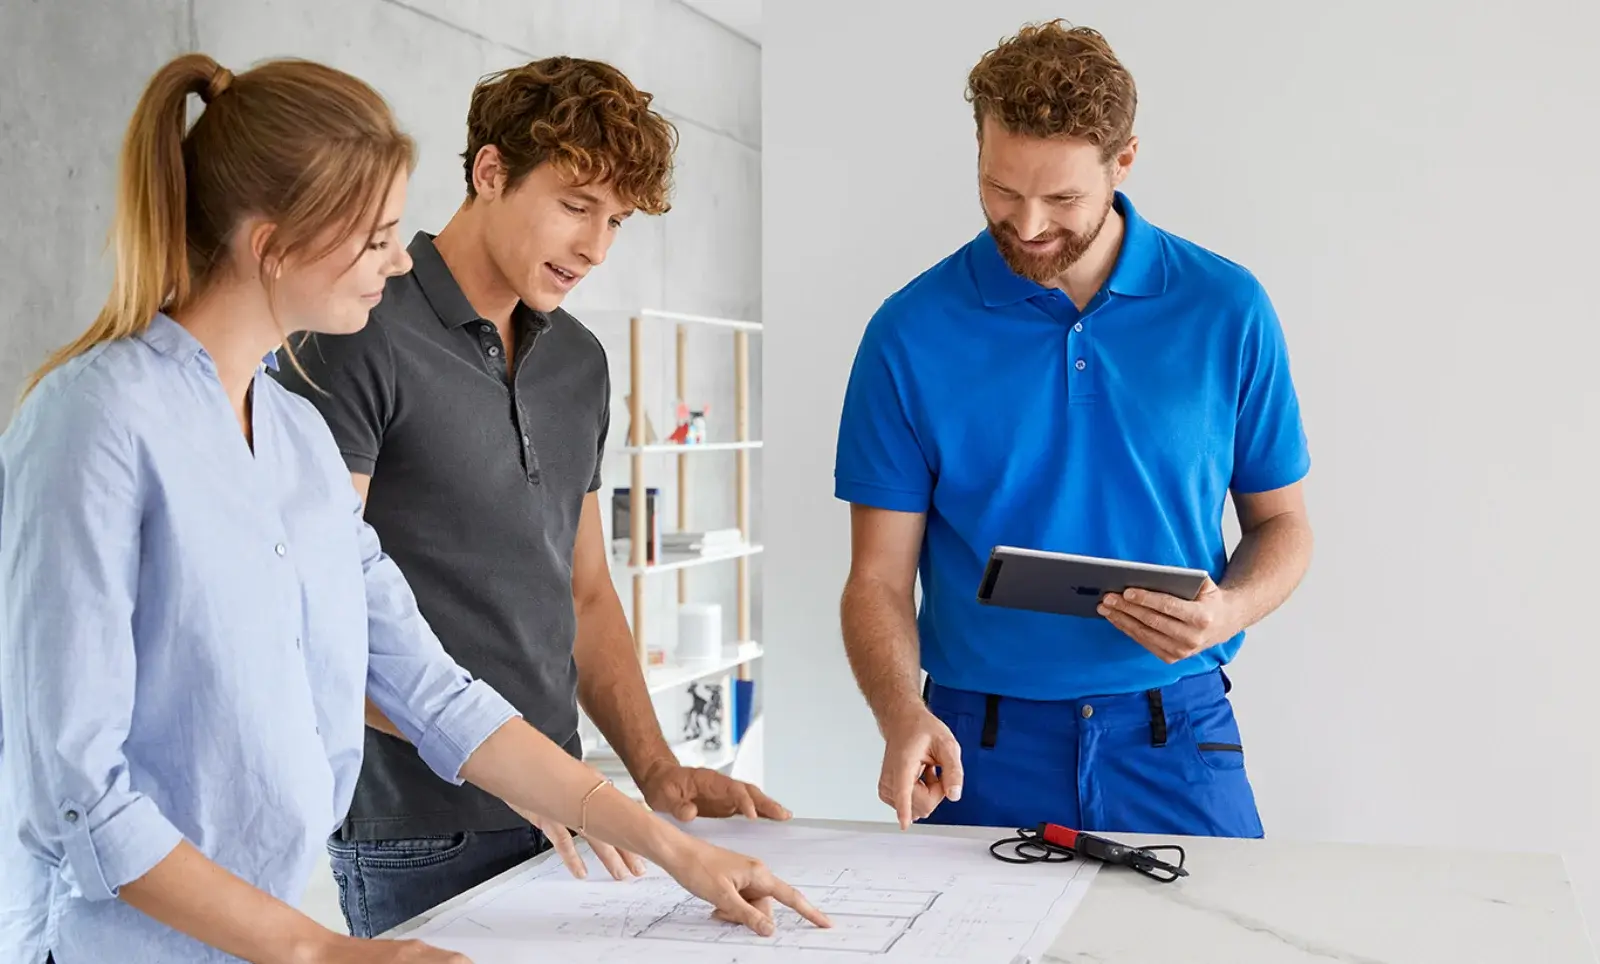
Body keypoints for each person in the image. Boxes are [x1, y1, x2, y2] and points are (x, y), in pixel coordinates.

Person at [0, 53, 828, 964]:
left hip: (259, 936)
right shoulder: (93, 423)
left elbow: (432, 691)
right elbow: (77, 795)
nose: (399, 260)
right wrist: (324, 951)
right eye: (376, 238)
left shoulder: (293, 438)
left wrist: (670, 845)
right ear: (273, 246)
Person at [268, 55, 790, 938]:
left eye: (616, 220)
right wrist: (503, 762)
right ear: (489, 171)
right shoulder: (356, 329)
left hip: (571, 814)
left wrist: (655, 771)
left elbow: (584, 593)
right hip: (417, 826)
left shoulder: (579, 361)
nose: (596, 248)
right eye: (576, 206)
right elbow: (310, 618)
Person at [834, 21, 1314, 839]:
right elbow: (877, 579)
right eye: (1000, 190)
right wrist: (898, 710)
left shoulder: (1227, 308)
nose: (1026, 226)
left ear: (1124, 162)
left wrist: (1230, 610)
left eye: (1061, 200)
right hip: (975, 743)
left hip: (1176, 730)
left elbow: (1284, 526)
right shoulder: (907, 333)